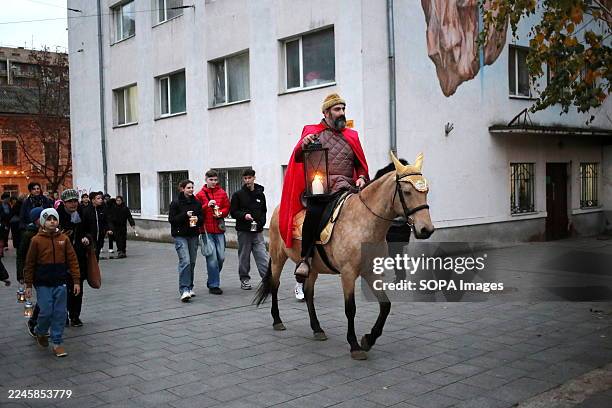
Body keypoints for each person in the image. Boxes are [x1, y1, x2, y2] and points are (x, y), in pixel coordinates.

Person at [279, 93, 369, 299]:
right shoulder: (312, 132)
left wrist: (362, 177)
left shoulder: (352, 136)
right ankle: (305, 259)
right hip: (322, 188)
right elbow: (298, 157)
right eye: (337, 109)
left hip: (347, 188)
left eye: (343, 109)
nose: (342, 113)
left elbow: (360, 166)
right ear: (326, 112)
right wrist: (304, 144)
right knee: (314, 213)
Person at [24, 208, 80, 357]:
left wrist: (76, 281)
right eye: (48, 219)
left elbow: (73, 260)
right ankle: (40, 331)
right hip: (43, 283)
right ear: (42, 222)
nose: (52, 222)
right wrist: (28, 285)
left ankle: (57, 342)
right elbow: (29, 263)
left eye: (54, 219)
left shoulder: (64, 239)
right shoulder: (36, 240)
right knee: (46, 311)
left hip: (60, 281)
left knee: (60, 313)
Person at [58, 189, 94, 327]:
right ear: (64, 203)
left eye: (75, 201)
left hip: (78, 257)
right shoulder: (57, 216)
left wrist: (86, 238)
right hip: (61, 259)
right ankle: (64, 315)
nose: (73, 204)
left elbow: (89, 232)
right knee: (63, 289)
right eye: (70, 202)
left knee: (78, 288)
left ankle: (75, 316)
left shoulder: (81, 215)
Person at [230, 169, 269, 290]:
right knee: (244, 256)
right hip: (244, 231)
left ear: (254, 178)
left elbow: (263, 211)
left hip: (257, 231)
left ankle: (267, 280)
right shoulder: (238, 195)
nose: (247, 180)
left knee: (262, 255)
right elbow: (233, 212)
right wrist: (244, 215)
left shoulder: (260, 194)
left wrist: (261, 224)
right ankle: (244, 279)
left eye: (249, 178)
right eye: (245, 178)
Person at [374, 160, 412, 282]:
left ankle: (385, 274)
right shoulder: (403, 180)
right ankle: (399, 277)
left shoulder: (386, 178)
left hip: (395, 226)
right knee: (396, 253)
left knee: (391, 252)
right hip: (395, 225)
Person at [195, 170, 230, 295]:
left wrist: (222, 213)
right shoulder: (200, 195)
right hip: (206, 231)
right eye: (211, 180)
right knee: (212, 259)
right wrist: (206, 205)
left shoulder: (222, 193)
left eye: (215, 180)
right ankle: (214, 284)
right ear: (206, 180)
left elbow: (227, 207)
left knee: (220, 257)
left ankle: (212, 277)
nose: (214, 182)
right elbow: (196, 211)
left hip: (219, 230)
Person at [168, 179, 203, 302]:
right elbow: (172, 220)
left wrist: (197, 219)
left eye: (192, 187)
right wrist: (185, 215)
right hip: (180, 236)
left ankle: (190, 286)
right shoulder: (176, 203)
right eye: (188, 187)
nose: (191, 190)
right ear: (182, 189)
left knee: (192, 262)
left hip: (193, 235)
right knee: (185, 261)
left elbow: (201, 218)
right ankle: (184, 290)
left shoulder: (197, 203)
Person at [19, 207, 44, 335]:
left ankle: (41, 324)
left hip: (48, 270)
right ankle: (33, 322)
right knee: (44, 299)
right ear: (36, 220)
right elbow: (21, 255)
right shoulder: (28, 234)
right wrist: (21, 275)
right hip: (35, 271)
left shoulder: (49, 231)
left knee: (47, 299)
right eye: (42, 216)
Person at [82, 191, 111, 260]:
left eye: (101, 198)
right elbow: (83, 225)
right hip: (90, 238)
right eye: (98, 198)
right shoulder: (86, 211)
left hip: (100, 237)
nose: (101, 200)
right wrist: (85, 236)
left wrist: (108, 229)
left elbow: (106, 221)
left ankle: (95, 269)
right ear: (93, 200)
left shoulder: (102, 210)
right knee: (91, 257)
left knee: (96, 255)